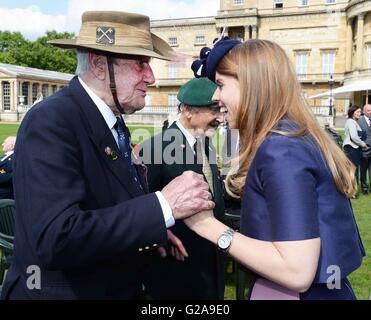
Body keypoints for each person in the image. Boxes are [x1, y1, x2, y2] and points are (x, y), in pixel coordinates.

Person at [1, 11, 214, 300]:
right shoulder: (51, 120)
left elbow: (107, 202)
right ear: (100, 65)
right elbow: (57, 238)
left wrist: (151, 230)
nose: (150, 77)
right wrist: (162, 206)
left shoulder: (109, 119)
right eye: (141, 63)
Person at [184, 38, 365, 300]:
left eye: (221, 84)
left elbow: (296, 272)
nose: (215, 96)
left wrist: (207, 227)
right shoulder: (296, 136)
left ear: (251, 84)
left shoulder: (280, 149)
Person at [142, 78, 226, 299]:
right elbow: (139, 208)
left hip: (211, 265)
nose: (221, 118)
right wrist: (159, 237)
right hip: (177, 273)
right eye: (214, 110)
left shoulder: (206, 143)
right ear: (188, 110)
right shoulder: (154, 148)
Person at [343, 105, 368, 193]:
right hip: (352, 148)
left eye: (360, 112)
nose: (359, 113)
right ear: (352, 112)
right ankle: (352, 191)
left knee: (353, 170)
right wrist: (363, 144)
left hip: (353, 148)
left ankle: (352, 190)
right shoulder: (351, 122)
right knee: (353, 170)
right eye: (357, 112)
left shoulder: (353, 121)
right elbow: (354, 136)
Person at [358, 104, 371, 194]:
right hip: (365, 149)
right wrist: (363, 144)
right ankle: (364, 187)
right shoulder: (359, 120)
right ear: (364, 111)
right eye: (368, 110)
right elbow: (358, 135)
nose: (370, 112)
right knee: (363, 169)